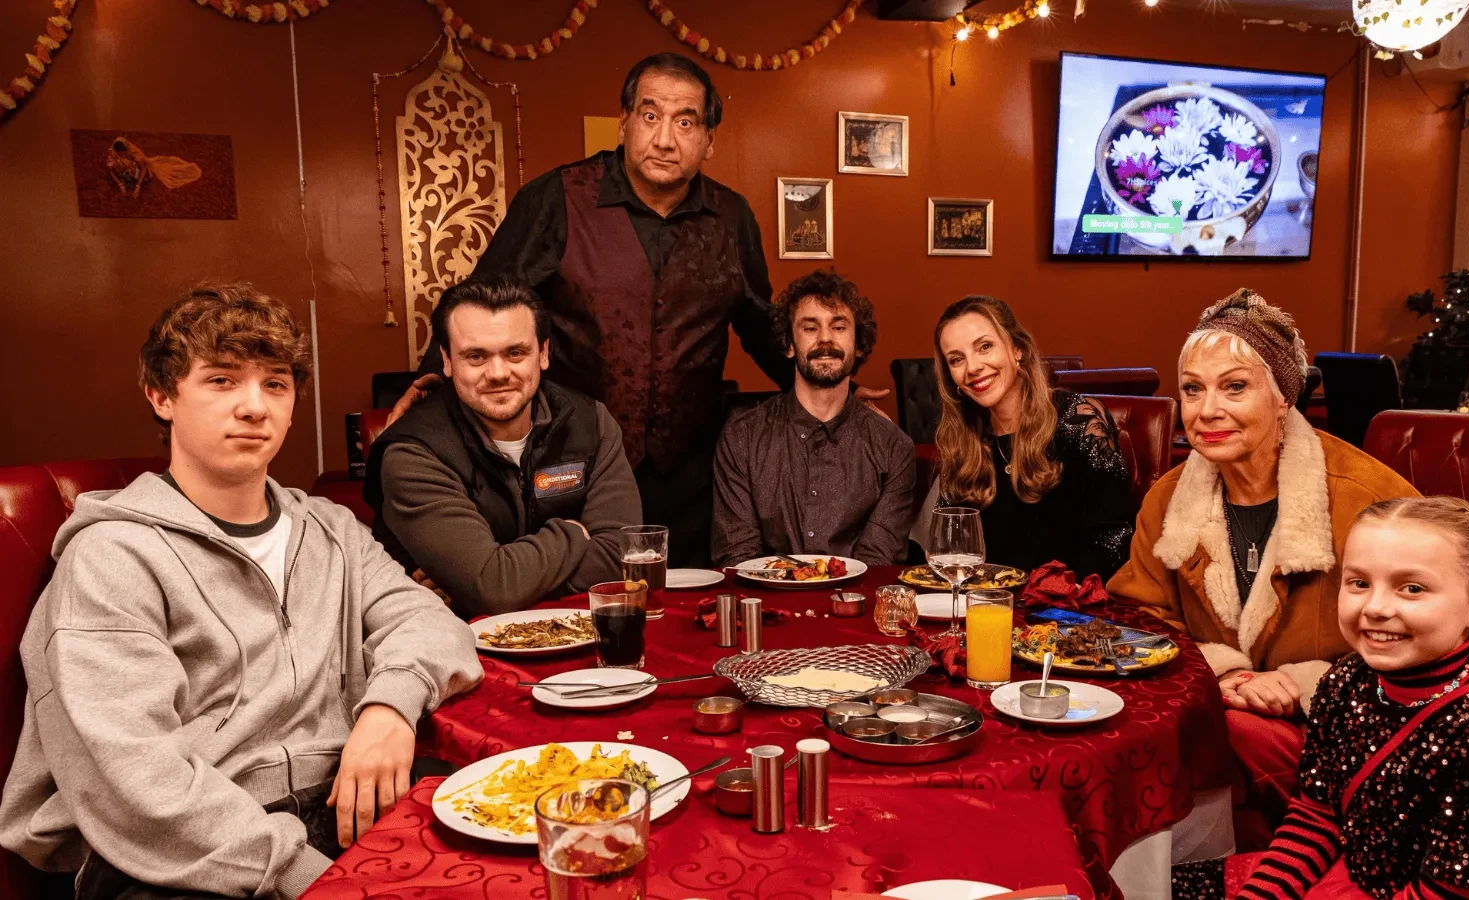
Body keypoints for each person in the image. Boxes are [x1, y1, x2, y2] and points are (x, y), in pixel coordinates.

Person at [0, 284, 483, 899]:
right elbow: (138, 785)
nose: (255, 406)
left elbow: (428, 621)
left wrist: (389, 708)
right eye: (223, 380)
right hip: (177, 856)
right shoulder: (111, 557)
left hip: (343, 801)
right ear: (161, 396)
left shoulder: (329, 528)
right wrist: (314, 879)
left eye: (275, 384)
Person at [387, 53, 887, 566]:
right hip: (573, 461)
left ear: (709, 140)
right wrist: (431, 380)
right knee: (584, 602)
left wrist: (831, 391)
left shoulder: (732, 216)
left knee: (689, 604)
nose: (665, 138)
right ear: (624, 122)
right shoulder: (556, 197)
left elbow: (761, 324)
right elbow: (481, 300)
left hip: (693, 469)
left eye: (685, 121)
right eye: (650, 116)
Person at [1108, 289, 1417, 844]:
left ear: (1283, 398)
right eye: (1193, 390)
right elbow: (1138, 617)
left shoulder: (1368, 499)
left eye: (1234, 387)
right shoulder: (1168, 497)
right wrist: (1223, 672)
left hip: (1355, 726)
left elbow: (1421, 634)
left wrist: (1301, 684)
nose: (1207, 411)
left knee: (1205, 738)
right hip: (1220, 707)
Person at [1173, 496, 1469, 899]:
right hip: (1353, 874)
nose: (1376, 607)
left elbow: (1458, 893)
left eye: (1412, 588)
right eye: (1359, 583)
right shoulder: (1347, 680)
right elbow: (1317, 817)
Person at [365, 277, 641, 618]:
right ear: (447, 361)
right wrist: (575, 534)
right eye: (476, 356)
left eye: (515, 353)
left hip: (581, 638)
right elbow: (491, 586)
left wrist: (485, 586)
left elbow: (621, 556)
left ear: (542, 353)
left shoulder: (592, 422)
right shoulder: (413, 453)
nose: (498, 373)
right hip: (458, 652)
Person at [712, 269, 915, 567]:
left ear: (859, 345)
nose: (825, 339)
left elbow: (877, 567)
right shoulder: (741, 439)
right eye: (810, 328)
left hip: (855, 608)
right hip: (766, 608)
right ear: (789, 345)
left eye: (839, 327)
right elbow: (737, 558)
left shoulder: (894, 448)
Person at [927, 294, 1135, 577]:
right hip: (983, 608)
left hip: (1065, 610)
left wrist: (1057, 601)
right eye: (956, 359)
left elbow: (1113, 537)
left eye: (985, 347)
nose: (973, 367)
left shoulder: (1079, 419)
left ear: (1016, 349)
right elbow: (947, 546)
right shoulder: (960, 438)